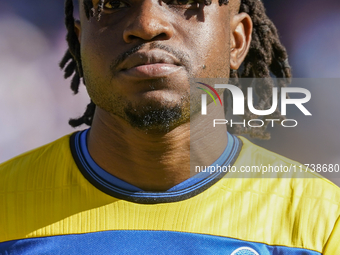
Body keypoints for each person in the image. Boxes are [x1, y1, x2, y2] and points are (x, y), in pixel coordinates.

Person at [0, 0, 339, 254]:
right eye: (113, 3)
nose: (147, 25)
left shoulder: (321, 221)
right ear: (79, 44)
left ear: (236, 41)